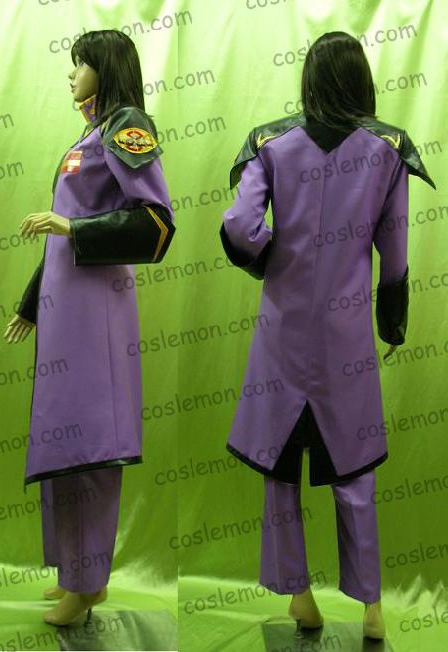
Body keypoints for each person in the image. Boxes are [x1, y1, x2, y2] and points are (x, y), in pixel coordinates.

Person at [219, 31, 434, 640]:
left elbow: (239, 226)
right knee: (355, 467)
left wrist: (273, 261)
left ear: (308, 79)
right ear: (361, 79)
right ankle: (371, 608)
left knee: (281, 467)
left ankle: (300, 597)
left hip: (282, 334)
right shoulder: (388, 149)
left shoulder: (270, 143)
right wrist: (391, 321)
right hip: (347, 338)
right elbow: (395, 254)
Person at [3, 30, 175, 626]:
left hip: (96, 312)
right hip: (63, 311)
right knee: (64, 440)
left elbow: (155, 223)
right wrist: (31, 303)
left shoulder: (127, 128)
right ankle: (75, 573)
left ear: (105, 67)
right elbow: (62, 231)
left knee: (92, 446)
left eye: (80, 64)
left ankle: (89, 582)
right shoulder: (88, 136)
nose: (72, 74)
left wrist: (73, 229)